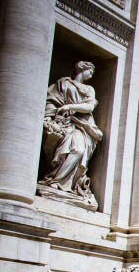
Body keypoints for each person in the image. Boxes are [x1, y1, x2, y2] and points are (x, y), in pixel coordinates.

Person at [40, 60, 103, 199]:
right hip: (64, 123)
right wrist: (52, 117)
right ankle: (56, 181)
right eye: (90, 72)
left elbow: (90, 107)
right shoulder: (63, 83)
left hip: (81, 125)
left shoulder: (89, 89)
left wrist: (70, 107)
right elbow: (51, 100)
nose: (91, 76)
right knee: (63, 151)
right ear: (81, 68)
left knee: (79, 150)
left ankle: (59, 181)